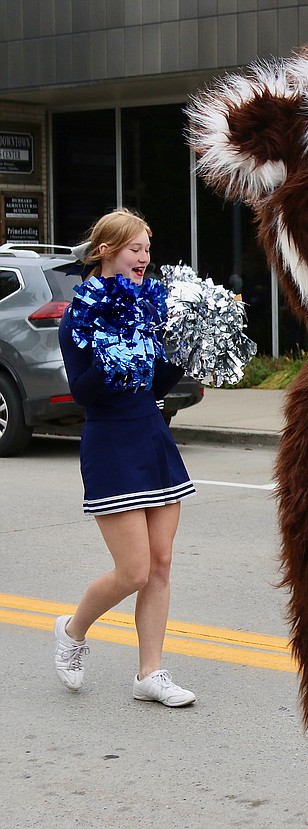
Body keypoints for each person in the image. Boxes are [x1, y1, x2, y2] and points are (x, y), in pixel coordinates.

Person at [53, 208, 198, 707]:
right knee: (133, 570)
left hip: (152, 438)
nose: (145, 258)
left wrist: (181, 350)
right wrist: (115, 351)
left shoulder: (145, 307)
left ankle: (149, 674)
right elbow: (84, 390)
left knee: (160, 565)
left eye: (148, 249)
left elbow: (155, 385)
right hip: (111, 445)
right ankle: (72, 630)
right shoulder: (81, 313)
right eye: (136, 248)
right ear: (107, 251)